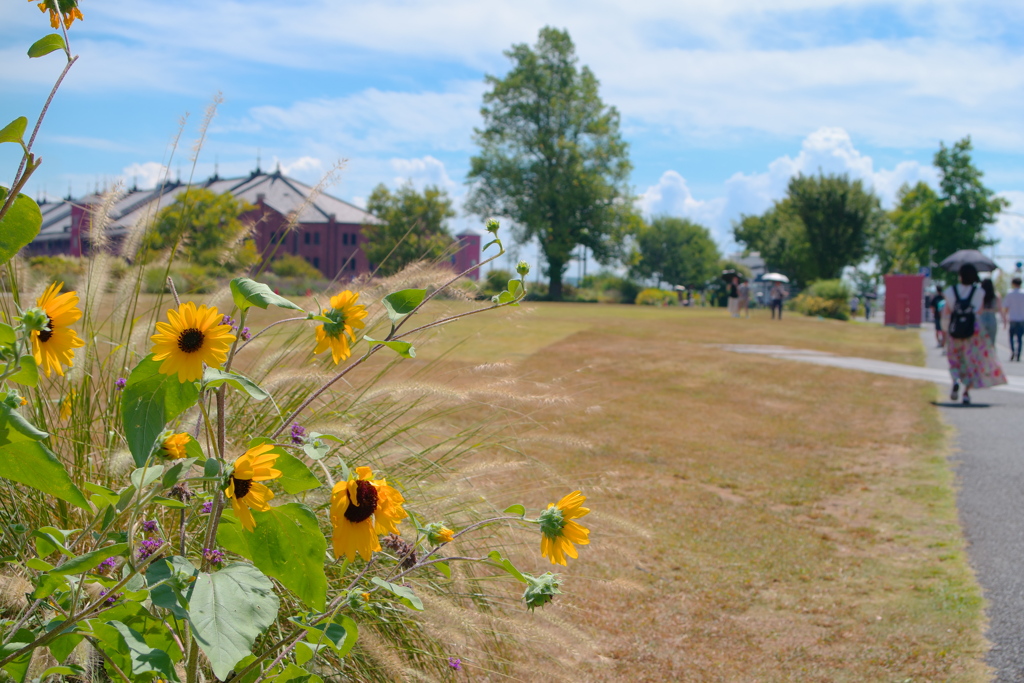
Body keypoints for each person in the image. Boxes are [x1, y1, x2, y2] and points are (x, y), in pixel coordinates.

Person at [943, 264, 1007, 405]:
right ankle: (966, 392)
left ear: (960, 276)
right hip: (973, 332)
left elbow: (947, 311)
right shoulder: (979, 292)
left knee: (954, 359)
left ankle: (955, 380)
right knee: (971, 361)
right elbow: (979, 311)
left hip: (955, 330)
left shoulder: (950, 291)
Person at [1003, 277, 1024, 361]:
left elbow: (1006, 307)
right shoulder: (1023, 293)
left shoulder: (1009, 293)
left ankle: (1012, 352)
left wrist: (1005, 317)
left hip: (1012, 318)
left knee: (1011, 337)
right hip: (1022, 318)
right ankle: (1018, 354)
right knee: (1020, 338)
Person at [979, 279, 1000, 348]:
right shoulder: (996, 296)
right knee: (992, 342)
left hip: (982, 318)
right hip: (992, 318)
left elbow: (978, 309)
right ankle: (991, 357)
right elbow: (998, 308)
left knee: (981, 342)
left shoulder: (980, 295)